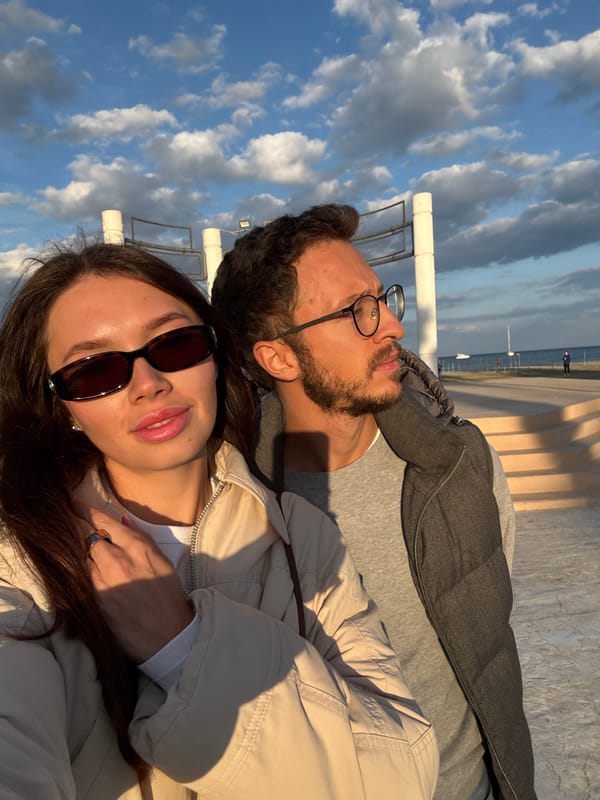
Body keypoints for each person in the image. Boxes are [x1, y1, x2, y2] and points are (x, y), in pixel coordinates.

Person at [0, 243, 439, 799]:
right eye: (95, 371)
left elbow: (404, 774)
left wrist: (180, 646)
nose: (148, 383)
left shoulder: (301, 535)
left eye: (175, 344)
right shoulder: (18, 563)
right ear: (62, 406)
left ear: (214, 355)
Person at [211, 204, 536, 800]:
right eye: (356, 310)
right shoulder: (235, 514)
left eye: (382, 299)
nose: (391, 327)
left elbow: (488, 631)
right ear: (278, 357)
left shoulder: (460, 462)